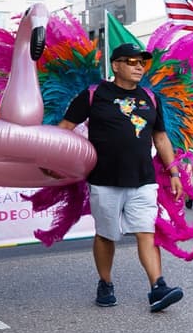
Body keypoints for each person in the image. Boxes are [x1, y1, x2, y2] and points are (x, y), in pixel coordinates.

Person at [56, 43, 185, 312]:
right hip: (104, 180)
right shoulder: (93, 95)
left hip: (143, 180)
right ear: (116, 65)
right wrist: (52, 158)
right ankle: (105, 283)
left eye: (142, 62)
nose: (139, 67)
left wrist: (173, 171)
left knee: (146, 232)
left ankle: (158, 287)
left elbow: (161, 137)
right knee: (106, 235)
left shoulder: (150, 97)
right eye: (132, 62)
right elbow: (65, 128)